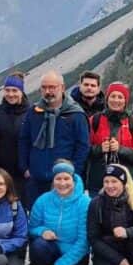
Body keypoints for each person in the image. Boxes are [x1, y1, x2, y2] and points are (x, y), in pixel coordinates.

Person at [19, 70, 90, 209]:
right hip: (36, 180)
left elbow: (83, 147)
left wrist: (73, 172)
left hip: (63, 181)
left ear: (62, 88)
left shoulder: (76, 115)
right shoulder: (34, 112)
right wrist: (24, 168)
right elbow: (24, 139)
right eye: (44, 88)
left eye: (52, 87)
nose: (48, 91)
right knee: (35, 221)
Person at [28, 161, 91, 265]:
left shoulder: (84, 202)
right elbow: (32, 227)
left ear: (73, 179)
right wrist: (42, 231)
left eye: (66, 178)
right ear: (53, 180)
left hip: (74, 253)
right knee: (39, 244)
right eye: (58, 179)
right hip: (51, 249)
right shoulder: (43, 200)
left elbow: (83, 243)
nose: (62, 183)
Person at [85, 82, 133, 196]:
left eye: (120, 97)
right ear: (107, 99)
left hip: (125, 183)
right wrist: (99, 149)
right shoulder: (95, 120)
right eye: (113, 96)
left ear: (125, 101)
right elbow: (84, 148)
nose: (116, 100)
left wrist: (120, 149)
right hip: (98, 182)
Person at [0, 73, 32, 203]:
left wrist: (29, 167)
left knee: (21, 209)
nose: (10, 94)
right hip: (0, 170)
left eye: (15, 90)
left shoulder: (31, 112)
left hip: (23, 173)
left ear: (22, 92)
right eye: (7, 90)